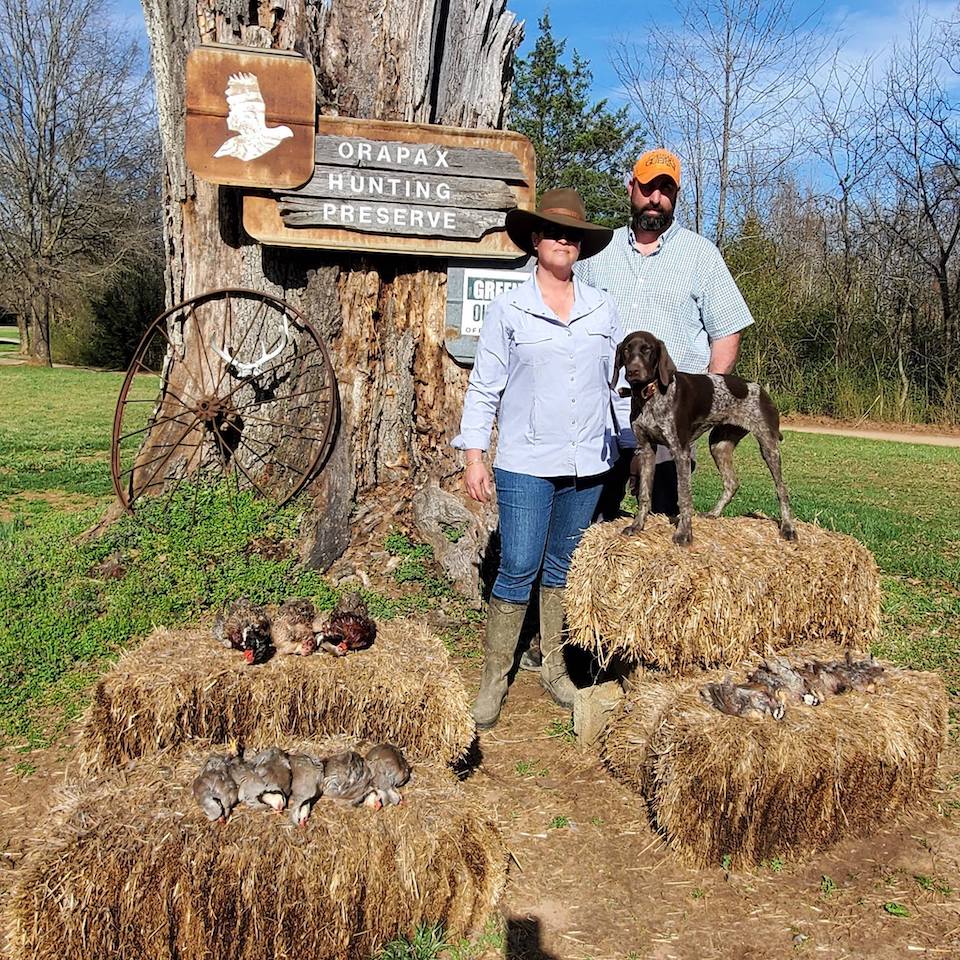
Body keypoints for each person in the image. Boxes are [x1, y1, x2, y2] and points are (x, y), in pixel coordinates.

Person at [453, 188, 620, 730]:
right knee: (519, 564)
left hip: (590, 460)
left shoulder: (603, 307)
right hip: (525, 460)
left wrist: (636, 448)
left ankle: (553, 668)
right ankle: (493, 679)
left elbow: (617, 386)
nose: (563, 240)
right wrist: (475, 454)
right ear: (535, 239)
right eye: (553, 231)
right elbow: (485, 386)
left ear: (581, 247)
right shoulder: (509, 310)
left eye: (572, 234)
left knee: (562, 566)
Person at [578, 149, 755, 520]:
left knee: (663, 533)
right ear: (631, 188)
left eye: (666, 190)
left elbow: (727, 333)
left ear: (675, 196)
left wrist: (704, 404)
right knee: (592, 530)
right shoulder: (598, 252)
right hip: (601, 422)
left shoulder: (701, 255)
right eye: (648, 187)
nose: (656, 199)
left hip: (668, 423)